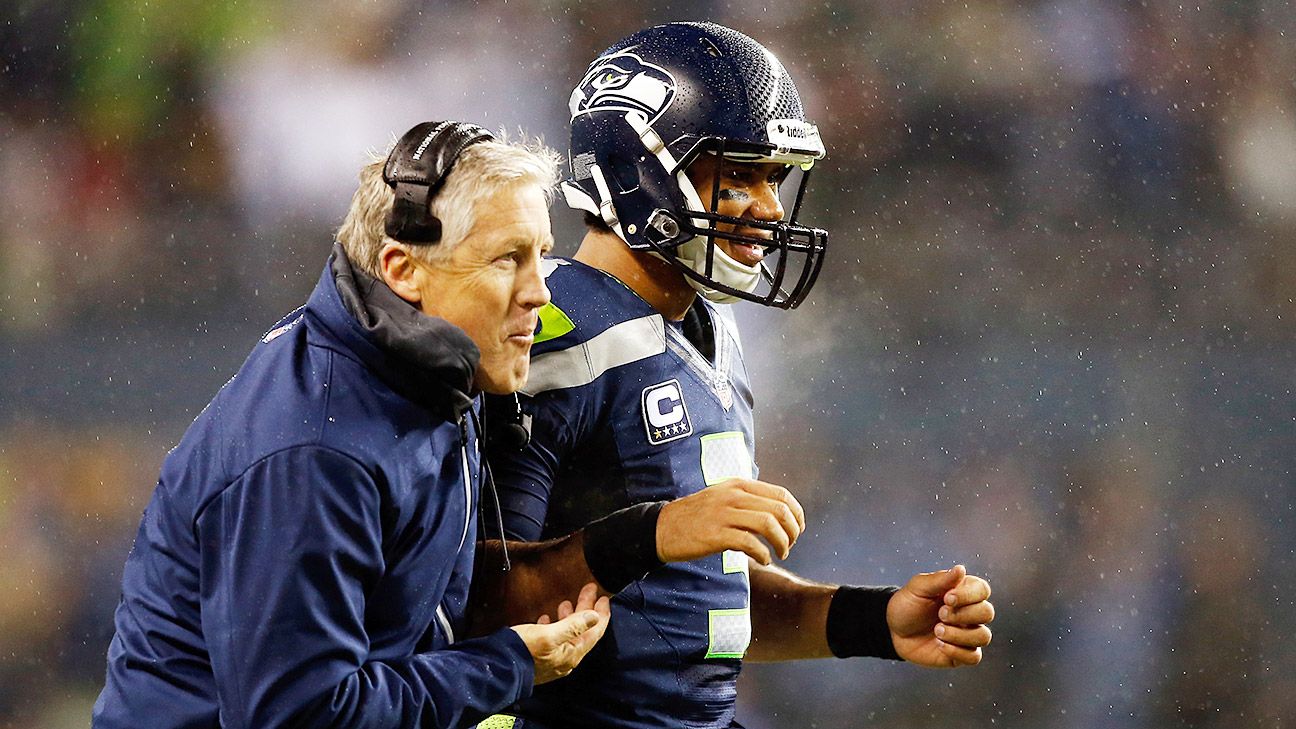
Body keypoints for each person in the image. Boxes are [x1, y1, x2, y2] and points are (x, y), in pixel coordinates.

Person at [472, 23, 996, 729]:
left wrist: (871, 620)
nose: (771, 207)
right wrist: (657, 530)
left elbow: (693, 602)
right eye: (741, 175)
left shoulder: (710, 330)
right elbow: (471, 601)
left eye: (774, 177)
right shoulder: (555, 330)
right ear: (640, 170)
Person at [93, 121, 611, 729]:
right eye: (507, 260)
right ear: (402, 269)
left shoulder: (425, 372)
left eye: (542, 256)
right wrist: (505, 667)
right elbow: (301, 717)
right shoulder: (316, 450)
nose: (539, 294)